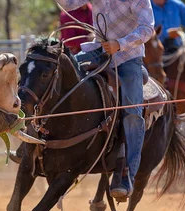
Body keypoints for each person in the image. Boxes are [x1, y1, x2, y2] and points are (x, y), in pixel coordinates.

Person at [57, 0, 155, 200]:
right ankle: (38, 142)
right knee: (59, 76)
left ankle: (127, 174)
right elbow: (69, 4)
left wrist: (120, 44)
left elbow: (147, 29)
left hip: (128, 57)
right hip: (97, 51)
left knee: (133, 113)